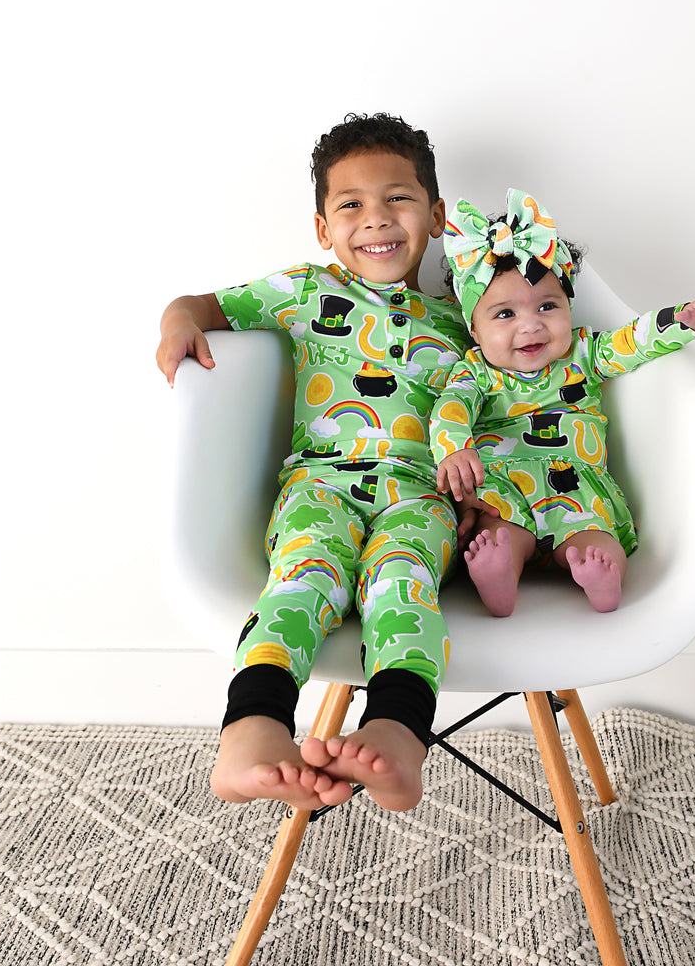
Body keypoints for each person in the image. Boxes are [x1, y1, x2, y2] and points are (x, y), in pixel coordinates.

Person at [156, 113, 472, 812]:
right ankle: (253, 730)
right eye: (351, 205)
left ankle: (396, 733)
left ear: (435, 214)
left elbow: (508, 413)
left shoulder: (468, 320)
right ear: (325, 229)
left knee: (403, 583)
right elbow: (200, 305)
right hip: (319, 487)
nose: (376, 219)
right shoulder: (307, 290)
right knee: (303, 579)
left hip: (420, 496)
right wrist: (177, 321)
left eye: (398, 198)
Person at [429, 188, 695, 618]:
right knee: (498, 531)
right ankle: (500, 574)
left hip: (576, 489)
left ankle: (601, 576)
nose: (531, 326)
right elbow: (451, 407)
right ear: (475, 330)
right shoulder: (476, 372)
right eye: (505, 314)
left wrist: (681, 319)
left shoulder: (584, 354)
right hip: (505, 487)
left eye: (547, 306)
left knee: (596, 538)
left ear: (568, 307)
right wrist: (454, 447)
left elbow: (633, 342)